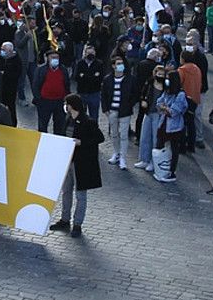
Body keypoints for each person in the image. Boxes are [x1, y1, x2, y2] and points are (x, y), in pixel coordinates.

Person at [50, 93, 103, 238]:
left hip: (82, 163)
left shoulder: (88, 121)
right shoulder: (68, 120)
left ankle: (77, 224)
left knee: (81, 195)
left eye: (66, 104)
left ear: (72, 105)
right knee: (66, 191)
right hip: (68, 161)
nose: (65, 106)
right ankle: (65, 219)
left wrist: (82, 142)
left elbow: (99, 137)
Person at [101, 55, 136, 167]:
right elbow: (104, 95)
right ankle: (116, 153)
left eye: (122, 64)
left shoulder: (130, 79)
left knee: (124, 135)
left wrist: (129, 105)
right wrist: (105, 109)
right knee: (114, 134)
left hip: (125, 111)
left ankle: (123, 158)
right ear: (113, 66)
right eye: (118, 64)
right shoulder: (107, 79)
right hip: (112, 111)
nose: (121, 66)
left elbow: (135, 94)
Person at [154, 69, 189, 183]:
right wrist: (164, 108)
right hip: (163, 123)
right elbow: (159, 103)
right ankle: (159, 168)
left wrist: (164, 108)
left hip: (175, 127)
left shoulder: (180, 94)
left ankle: (171, 171)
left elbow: (173, 112)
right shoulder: (167, 91)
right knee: (159, 145)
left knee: (174, 149)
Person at [31, 49, 70, 135]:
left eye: (57, 57)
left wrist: (66, 99)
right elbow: (35, 85)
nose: (55, 59)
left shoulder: (63, 69)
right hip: (44, 101)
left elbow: (67, 85)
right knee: (43, 125)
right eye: (53, 57)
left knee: (60, 125)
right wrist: (38, 99)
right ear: (48, 58)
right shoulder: (40, 69)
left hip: (60, 101)